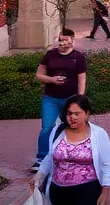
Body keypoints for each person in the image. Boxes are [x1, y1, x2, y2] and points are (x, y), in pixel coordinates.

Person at [33, 94, 110, 205]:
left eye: (77, 114)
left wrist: (105, 191)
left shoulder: (99, 134)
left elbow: (107, 165)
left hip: (87, 192)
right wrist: (39, 175)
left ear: (87, 113)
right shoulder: (57, 132)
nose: (72, 117)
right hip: (58, 192)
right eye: (69, 113)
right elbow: (50, 157)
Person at [34, 29, 88, 171]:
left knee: (72, 126)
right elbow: (39, 75)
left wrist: (80, 98)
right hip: (50, 98)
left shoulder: (78, 57)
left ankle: (70, 154)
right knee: (46, 128)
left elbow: (81, 79)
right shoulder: (50, 55)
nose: (62, 43)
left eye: (65, 40)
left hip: (70, 98)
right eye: (60, 40)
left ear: (72, 40)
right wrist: (51, 79)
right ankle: (41, 159)